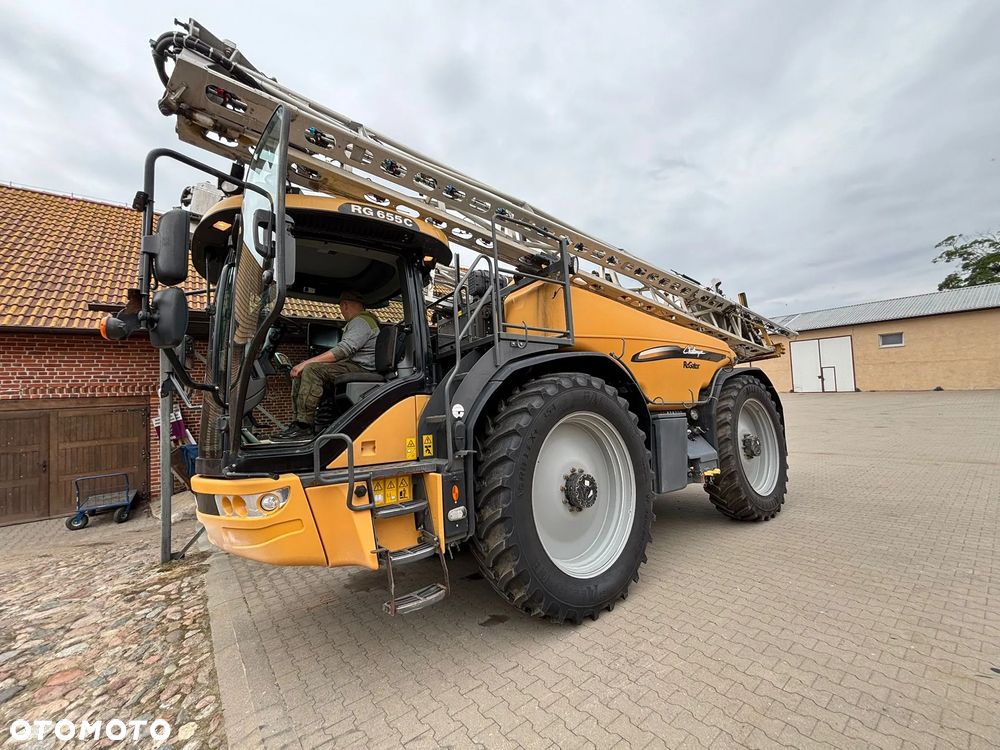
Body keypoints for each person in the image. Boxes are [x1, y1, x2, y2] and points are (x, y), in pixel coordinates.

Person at [278, 291, 379, 439]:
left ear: (344, 305)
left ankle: (304, 425)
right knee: (306, 369)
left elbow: (343, 350)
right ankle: (299, 422)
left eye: (340, 308)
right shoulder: (363, 321)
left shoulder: (361, 322)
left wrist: (307, 362)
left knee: (312, 369)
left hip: (361, 368)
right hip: (352, 365)